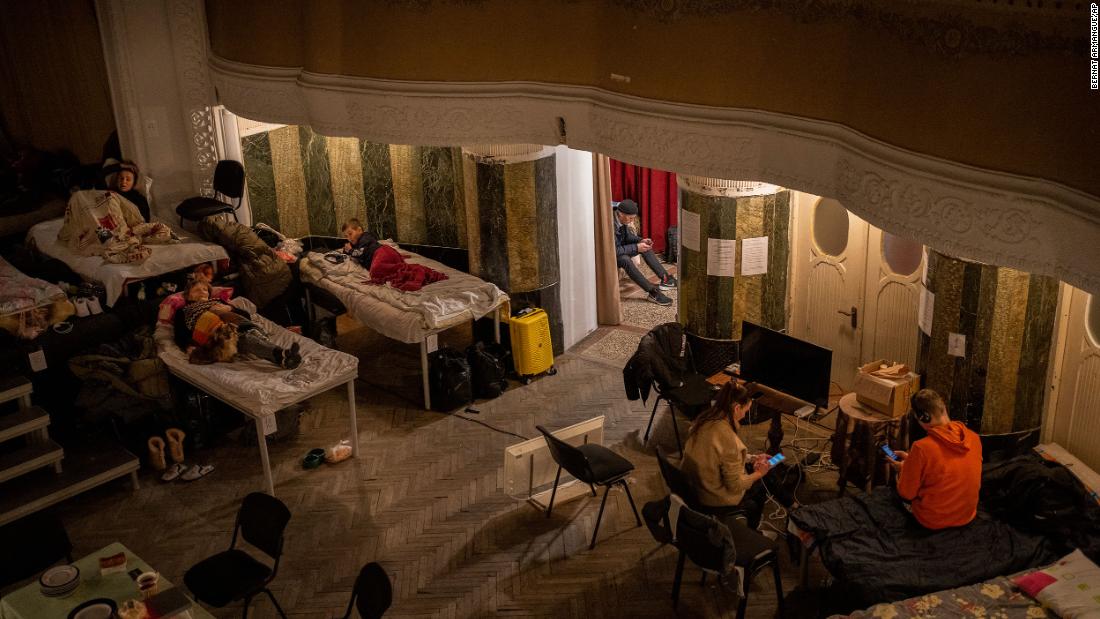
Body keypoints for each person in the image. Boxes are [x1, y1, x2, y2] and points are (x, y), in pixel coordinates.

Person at [680, 382, 799, 529]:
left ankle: (792, 506)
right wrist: (758, 473)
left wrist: (751, 458)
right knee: (761, 485)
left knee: (763, 470)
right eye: (746, 410)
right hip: (711, 496)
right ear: (737, 408)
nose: (745, 415)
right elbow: (736, 485)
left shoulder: (705, 420)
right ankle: (755, 532)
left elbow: (719, 454)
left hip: (694, 487)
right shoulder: (729, 440)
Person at [889, 389, 983, 529]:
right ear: (943, 407)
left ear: (924, 417)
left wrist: (904, 469)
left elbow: (906, 493)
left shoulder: (921, 448)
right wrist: (912, 462)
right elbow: (946, 467)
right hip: (966, 515)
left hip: (933, 519)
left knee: (897, 484)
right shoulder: (974, 438)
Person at [175, 279, 301, 369]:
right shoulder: (184, 311)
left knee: (245, 336)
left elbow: (245, 316)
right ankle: (282, 354)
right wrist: (188, 346)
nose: (202, 292)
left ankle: (282, 357)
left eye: (205, 290)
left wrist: (230, 309)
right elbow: (180, 333)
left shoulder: (218, 301)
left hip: (236, 329)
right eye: (197, 290)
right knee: (243, 338)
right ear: (188, 295)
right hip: (215, 339)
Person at [613, 199, 676, 306]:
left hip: (619, 248)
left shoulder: (621, 219)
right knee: (625, 259)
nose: (632, 221)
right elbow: (613, 250)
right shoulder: (609, 224)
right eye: (630, 218)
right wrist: (636, 247)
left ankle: (665, 279)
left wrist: (640, 240)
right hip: (610, 253)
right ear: (620, 214)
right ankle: (652, 292)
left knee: (645, 247)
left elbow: (626, 237)